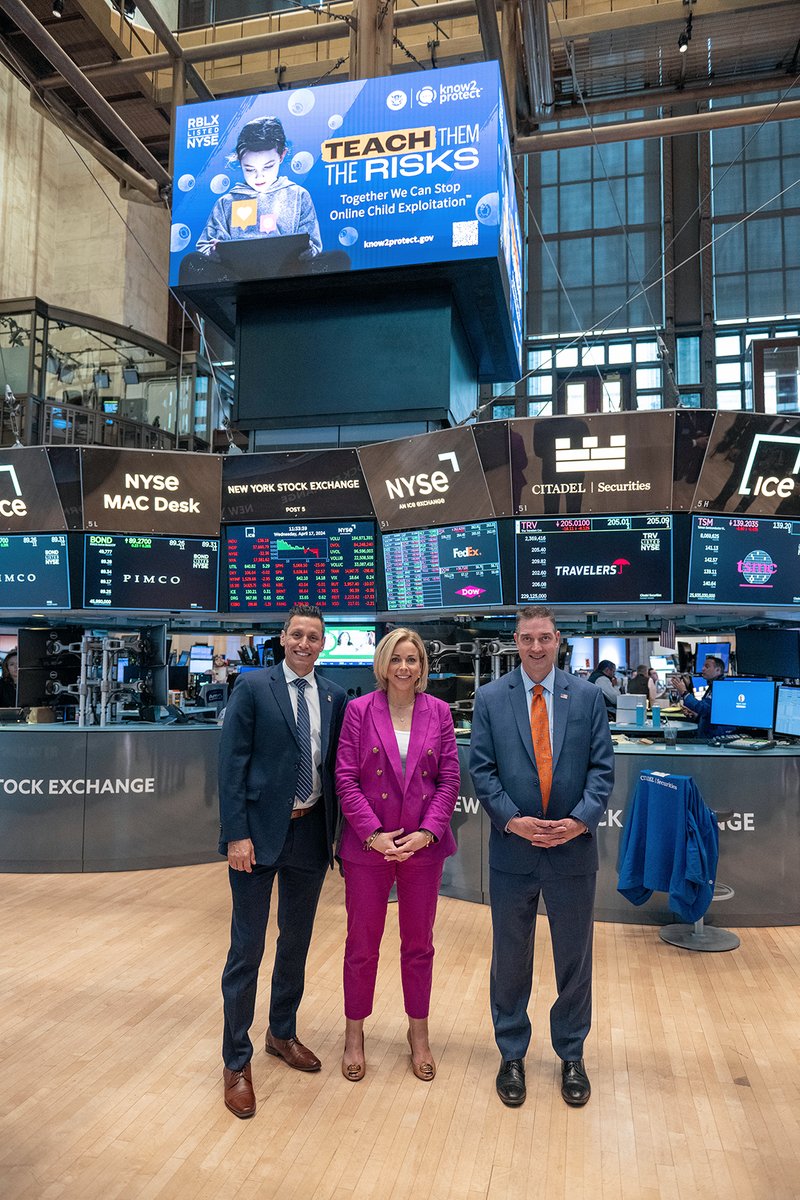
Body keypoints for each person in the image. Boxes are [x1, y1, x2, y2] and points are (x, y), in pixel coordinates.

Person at [469, 606, 614, 1110]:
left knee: (574, 959)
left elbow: (602, 771)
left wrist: (577, 821)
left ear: (558, 641)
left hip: (573, 850)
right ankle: (512, 1053)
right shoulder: (489, 698)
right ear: (515, 640)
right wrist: (513, 820)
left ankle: (571, 1054)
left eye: (544, 638)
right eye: (527, 638)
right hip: (514, 849)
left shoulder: (589, 696)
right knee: (511, 957)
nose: (536, 647)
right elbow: (482, 772)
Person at [218, 604, 347, 1119]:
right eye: (297, 634)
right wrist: (236, 835)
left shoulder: (335, 696)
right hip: (257, 838)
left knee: (296, 942)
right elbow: (230, 766)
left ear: (323, 643)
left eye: (314, 636)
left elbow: (334, 768)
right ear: (282, 637)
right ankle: (235, 1060)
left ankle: (281, 1032)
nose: (304, 643)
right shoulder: (252, 688)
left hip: (310, 834)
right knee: (246, 948)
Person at [335, 628, 459, 1084]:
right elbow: (345, 778)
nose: (404, 667)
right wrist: (372, 835)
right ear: (383, 665)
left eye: (413, 659)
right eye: (396, 659)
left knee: (418, 946)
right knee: (361, 946)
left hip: (422, 850)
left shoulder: (440, 712)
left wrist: (428, 832)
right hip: (370, 849)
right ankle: (354, 1035)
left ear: (422, 666)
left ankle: (418, 1034)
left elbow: (448, 781)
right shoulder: (358, 711)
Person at [197, 116, 321, 259]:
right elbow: (205, 245)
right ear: (239, 160)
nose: (259, 176)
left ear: (282, 155)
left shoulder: (298, 195)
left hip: (287, 267)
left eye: (268, 167)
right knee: (191, 261)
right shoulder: (226, 203)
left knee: (338, 257)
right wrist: (213, 252)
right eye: (249, 169)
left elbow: (312, 242)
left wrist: (309, 251)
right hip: (237, 271)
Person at [669, 654, 730, 740]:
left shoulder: (721, 687)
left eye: (707, 666)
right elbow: (710, 712)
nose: (702, 669)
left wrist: (684, 693)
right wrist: (696, 715)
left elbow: (704, 708)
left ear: (718, 670)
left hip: (714, 736)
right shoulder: (714, 685)